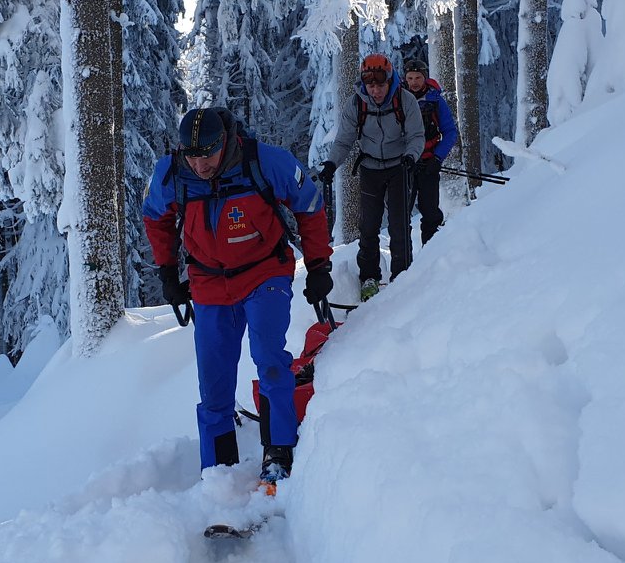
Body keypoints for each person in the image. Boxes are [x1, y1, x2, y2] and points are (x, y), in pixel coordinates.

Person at [143, 107, 334, 484]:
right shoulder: (172, 173)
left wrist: (319, 266)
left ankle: (279, 452)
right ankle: (219, 470)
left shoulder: (264, 162)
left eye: (207, 155)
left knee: (270, 359)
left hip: (265, 274)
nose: (200, 165)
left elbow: (309, 205)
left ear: (225, 143)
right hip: (209, 282)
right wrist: (167, 271)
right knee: (213, 381)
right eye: (192, 156)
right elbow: (155, 216)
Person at [320, 53, 423, 299]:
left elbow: (416, 135)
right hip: (370, 168)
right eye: (371, 85)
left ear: (389, 80)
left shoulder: (405, 100)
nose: (376, 91)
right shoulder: (356, 104)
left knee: (399, 226)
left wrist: (411, 156)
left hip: (400, 167)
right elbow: (344, 140)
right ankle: (369, 278)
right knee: (368, 227)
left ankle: (402, 276)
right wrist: (332, 164)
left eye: (380, 85)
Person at [400, 55, 457, 243]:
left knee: (431, 214)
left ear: (425, 78)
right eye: (410, 78)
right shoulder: (397, 100)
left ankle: (431, 261)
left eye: (418, 78)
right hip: (402, 165)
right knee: (400, 215)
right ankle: (403, 264)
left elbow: (449, 132)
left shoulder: (435, 101)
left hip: (428, 164)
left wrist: (437, 158)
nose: (414, 83)